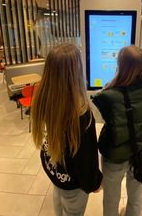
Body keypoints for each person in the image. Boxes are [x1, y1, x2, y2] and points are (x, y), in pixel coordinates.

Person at [92, 45, 142, 216]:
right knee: (136, 194)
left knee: (111, 198)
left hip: (115, 156)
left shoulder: (108, 94)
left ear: (120, 66)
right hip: (141, 154)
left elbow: (99, 116)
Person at [31, 44, 102, 216]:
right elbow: (86, 160)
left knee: (59, 203)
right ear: (76, 71)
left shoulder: (45, 98)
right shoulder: (82, 115)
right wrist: (95, 183)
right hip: (72, 182)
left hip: (55, 170)